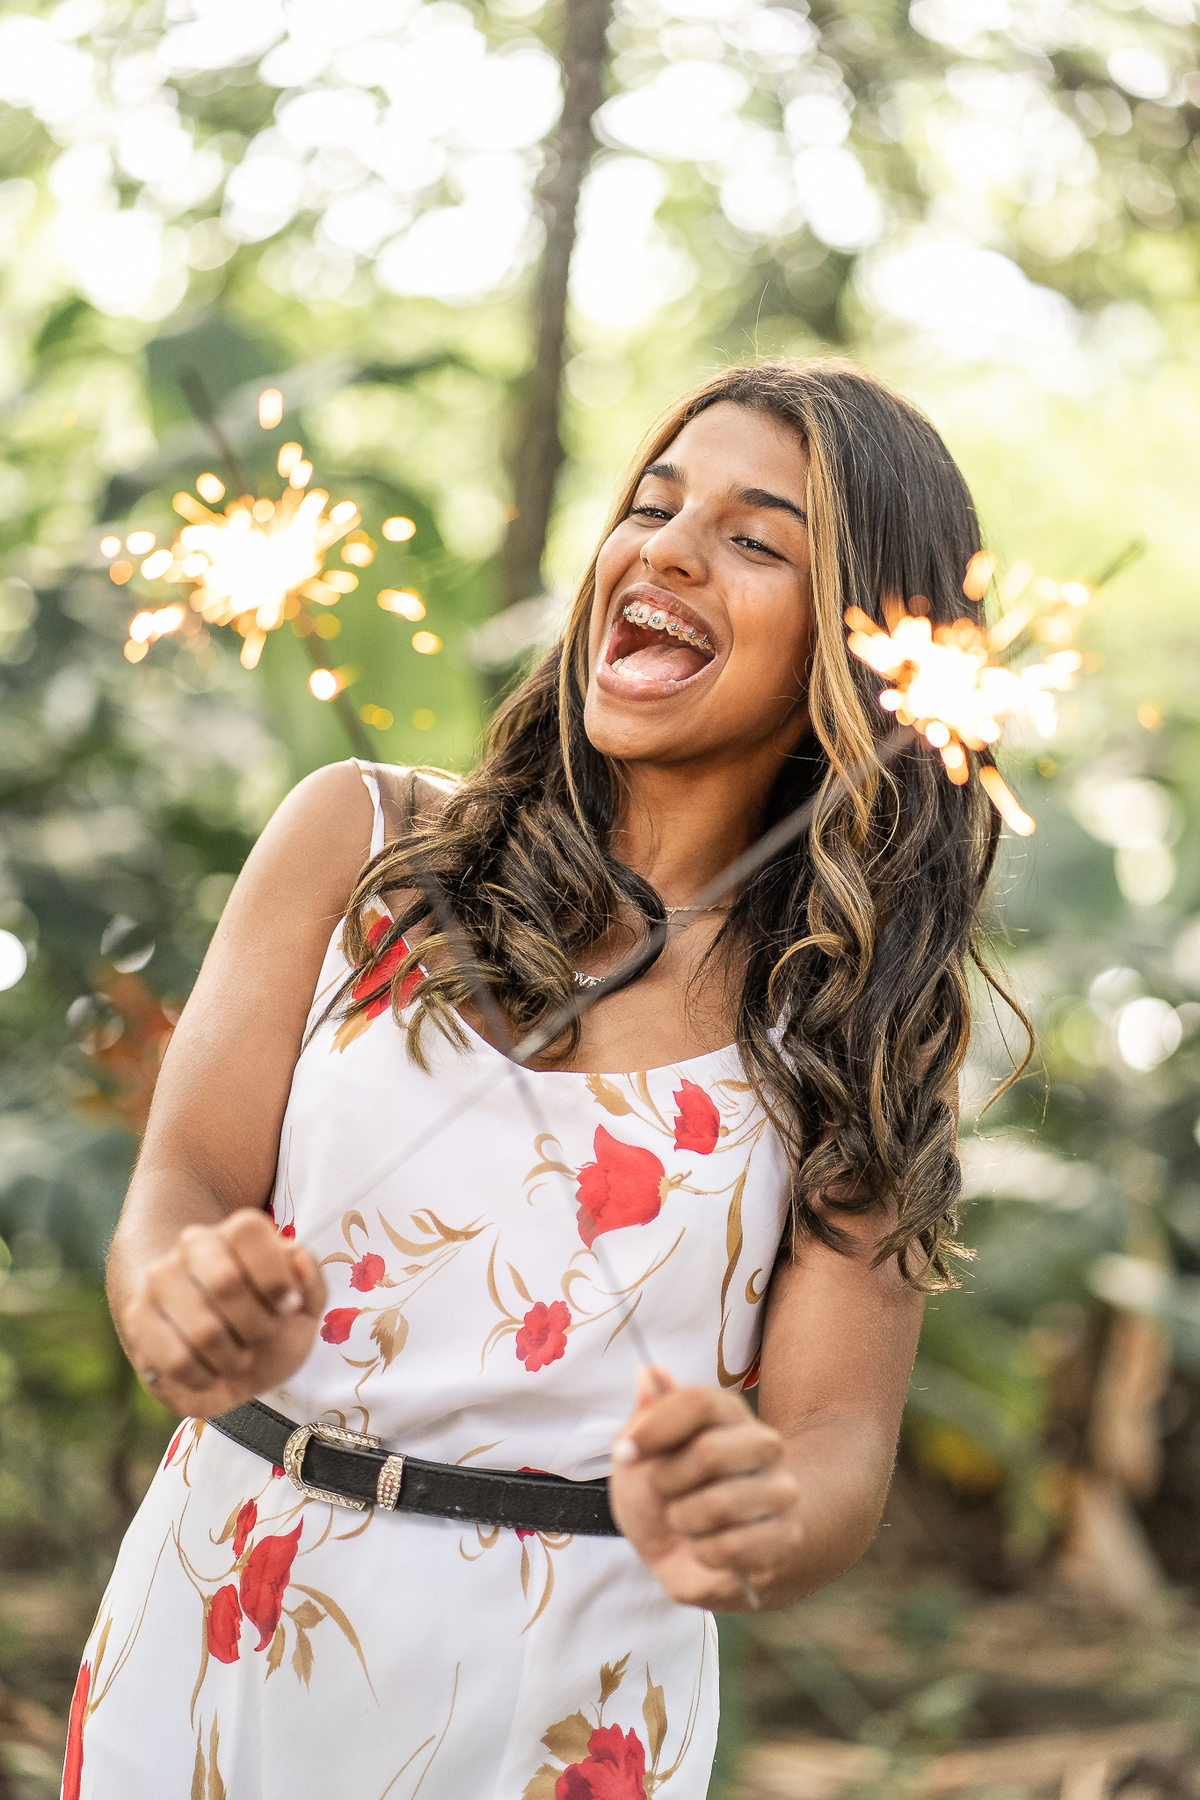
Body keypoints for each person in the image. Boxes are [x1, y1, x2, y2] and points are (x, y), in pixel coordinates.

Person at [64, 358, 1008, 1799]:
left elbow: (833, 1443)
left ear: (866, 660)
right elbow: (180, 1189)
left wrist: (761, 1512)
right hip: (216, 1617)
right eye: (652, 505)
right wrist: (174, 1294)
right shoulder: (362, 845)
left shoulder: (857, 1019)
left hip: (563, 1706)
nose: (669, 549)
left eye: (757, 540)